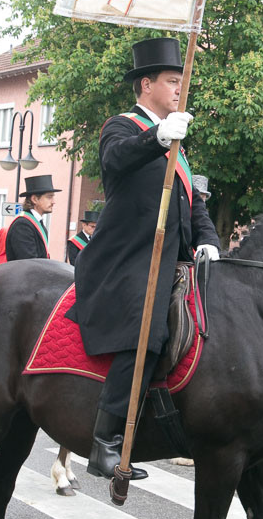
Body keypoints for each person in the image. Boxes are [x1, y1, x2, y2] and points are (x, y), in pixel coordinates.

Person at [68, 36, 220, 481]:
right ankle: (105, 442)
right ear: (146, 84)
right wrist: (156, 137)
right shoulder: (122, 126)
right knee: (146, 333)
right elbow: (116, 162)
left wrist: (207, 241)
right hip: (127, 263)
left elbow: (194, 206)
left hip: (174, 263)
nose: (179, 90)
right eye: (172, 81)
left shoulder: (180, 146)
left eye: (181, 82)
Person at [5, 176, 59, 261]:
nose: (53, 202)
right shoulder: (22, 225)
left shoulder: (37, 223)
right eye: (49, 197)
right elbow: (30, 263)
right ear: (34, 199)